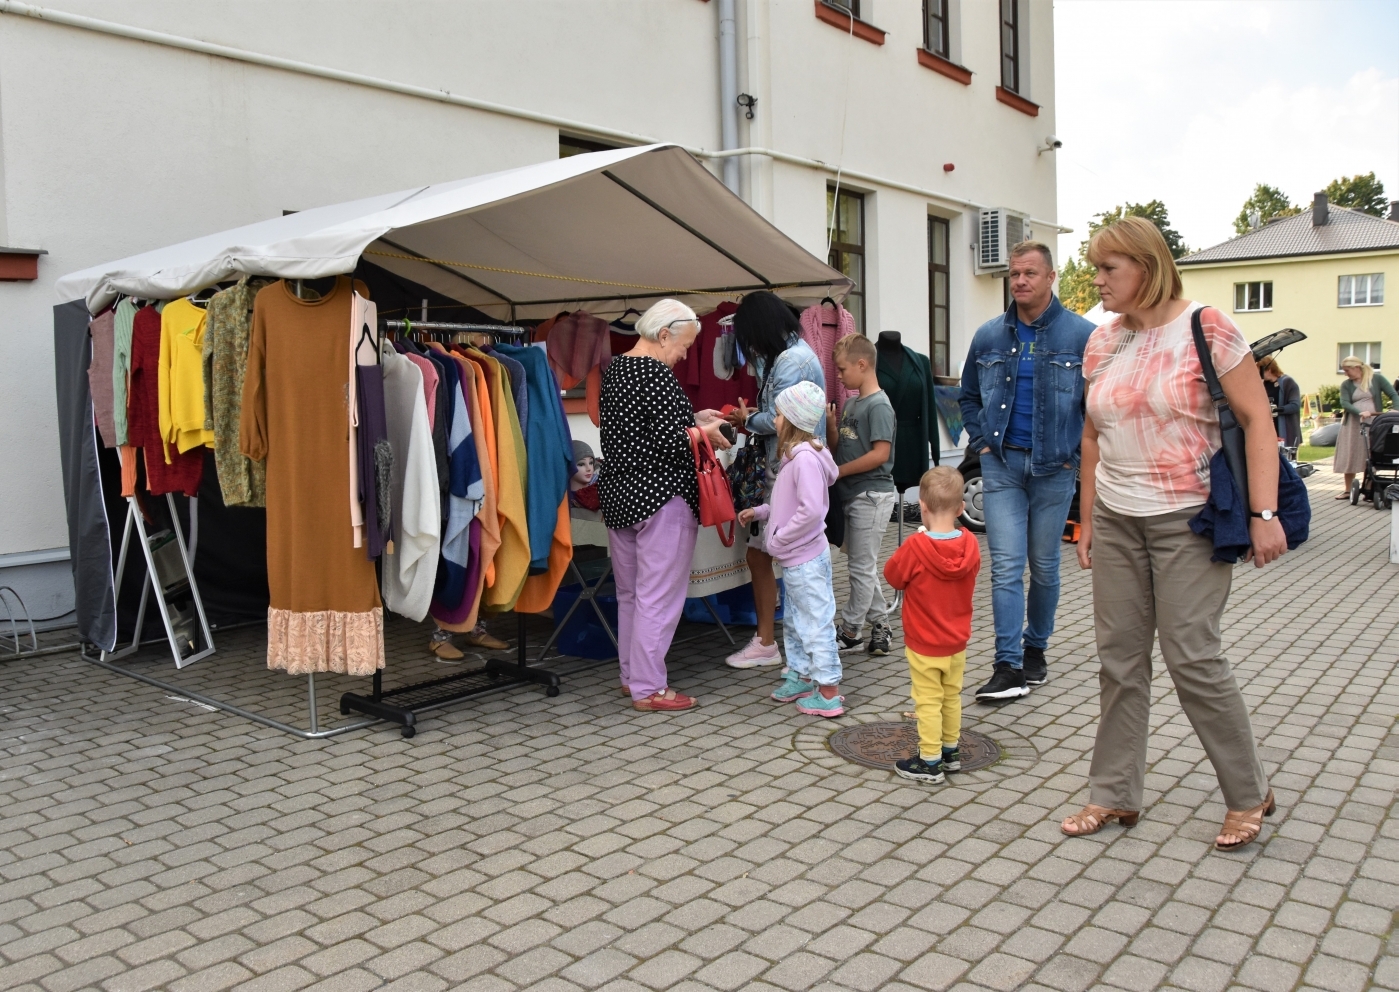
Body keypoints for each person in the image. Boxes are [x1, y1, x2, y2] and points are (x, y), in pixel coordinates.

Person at [1067, 216, 1284, 851]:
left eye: (1110, 268)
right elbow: (1090, 437)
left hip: (1188, 517)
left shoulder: (1207, 326)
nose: (1098, 279)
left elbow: (1257, 422)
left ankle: (1249, 794)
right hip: (1115, 517)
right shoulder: (1102, 342)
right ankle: (1114, 793)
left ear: (1147, 266)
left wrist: (1264, 515)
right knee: (1119, 661)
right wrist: (1085, 519)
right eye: (1096, 267)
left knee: (1192, 656)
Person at [958, 241, 1094, 701]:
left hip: (1055, 468)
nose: (1020, 281)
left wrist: (1076, 453)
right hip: (1002, 467)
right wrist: (982, 443)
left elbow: (1095, 408)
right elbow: (969, 397)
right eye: (1014, 274)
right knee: (1006, 567)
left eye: (1030, 273)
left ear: (1051, 277)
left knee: (1045, 566)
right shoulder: (989, 336)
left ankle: (1035, 648)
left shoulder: (1082, 336)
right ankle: (1007, 664)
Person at [599, 298, 731, 712]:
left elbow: (640, 430)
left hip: (620, 496)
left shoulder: (618, 369)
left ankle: (632, 677)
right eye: (685, 345)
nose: (686, 353)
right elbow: (664, 442)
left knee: (630, 594)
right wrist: (704, 432)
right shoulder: (656, 373)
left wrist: (694, 418)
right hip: (661, 497)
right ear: (663, 334)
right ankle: (649, 688)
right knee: (658, 596)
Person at [723, 291, 826, 670]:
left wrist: (744, 419)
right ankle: (783, 645)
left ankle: (778, 645)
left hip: (784, 471)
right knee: (773, 557)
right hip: (785, 469)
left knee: (775, 558)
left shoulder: (790, 361)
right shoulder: (790, 354)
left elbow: (781, 419)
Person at [737, 382, 844, 716]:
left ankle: (827, 690)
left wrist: (779, 537)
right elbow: (790, 502)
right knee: (797, 620)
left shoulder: (804, 461)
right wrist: (763, 513)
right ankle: (800, 674)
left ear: (794, 420)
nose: (776, 420)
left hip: (804, 556)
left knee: (815, 621)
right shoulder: (797, 458)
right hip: (798, 557)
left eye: (780, 414)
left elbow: (811, 510)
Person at [884, 467, 981, 784]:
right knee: (951, 697)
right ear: (961, 508)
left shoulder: (916, 547)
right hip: (957, 640)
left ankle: (929, 761)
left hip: (924, 642)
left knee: (927, 702)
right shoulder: (970, 545)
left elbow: (893, 576)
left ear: (922, 506)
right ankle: (951, 751)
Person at [826, 333, 897, 656]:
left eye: (842, 370)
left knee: (860, 567)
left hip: (872, 495)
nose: (839, 376)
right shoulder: (853, 403)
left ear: (862, 364)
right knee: (862, 566)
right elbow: (843, 447)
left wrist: (838, 472)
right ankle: (881, 625)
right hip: (852, 494)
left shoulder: (879, 405)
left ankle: (851, 630)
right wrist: (831, 427)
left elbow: (881, 454)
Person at [1333, 356, 1398, 499]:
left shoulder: (1376, 379)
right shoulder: (1346, 385)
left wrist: (1395, 409)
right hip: (1353, 424)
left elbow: (1393, 394)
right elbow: (1345, 403)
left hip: (1374, 422)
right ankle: (1348, 489)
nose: (1345, 373)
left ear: (1357, 368)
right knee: (1351, 452)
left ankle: (1369, 487)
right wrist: (1360, 412)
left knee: (1370, 452)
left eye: (1347, 370)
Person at [1257, 356, 1302, 448]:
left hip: (1285, 428)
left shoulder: (1287, 382)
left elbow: (1295, 405)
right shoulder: (1264, 384)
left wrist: (1277, 409)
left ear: (1269, 369)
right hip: (1269, 428)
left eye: (1260, 372)